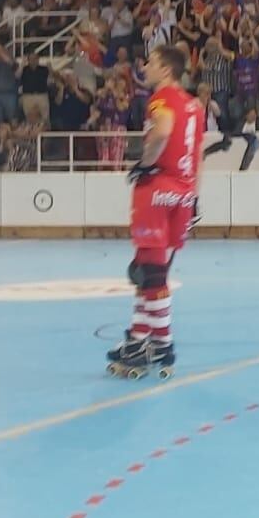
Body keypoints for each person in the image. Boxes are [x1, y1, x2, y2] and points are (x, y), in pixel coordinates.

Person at [107, 45, 204, 379]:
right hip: (184, 192)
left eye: (149, 62)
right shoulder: (195, 105)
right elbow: (198, 153)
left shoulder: (161, 99)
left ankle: (161, 342)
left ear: (164, 68)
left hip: (159, 189)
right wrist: (193, 199)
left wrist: (144, 163)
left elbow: (161, 130)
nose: (144, 67)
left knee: (149, 273)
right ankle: (138, 338)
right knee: (149, 270)